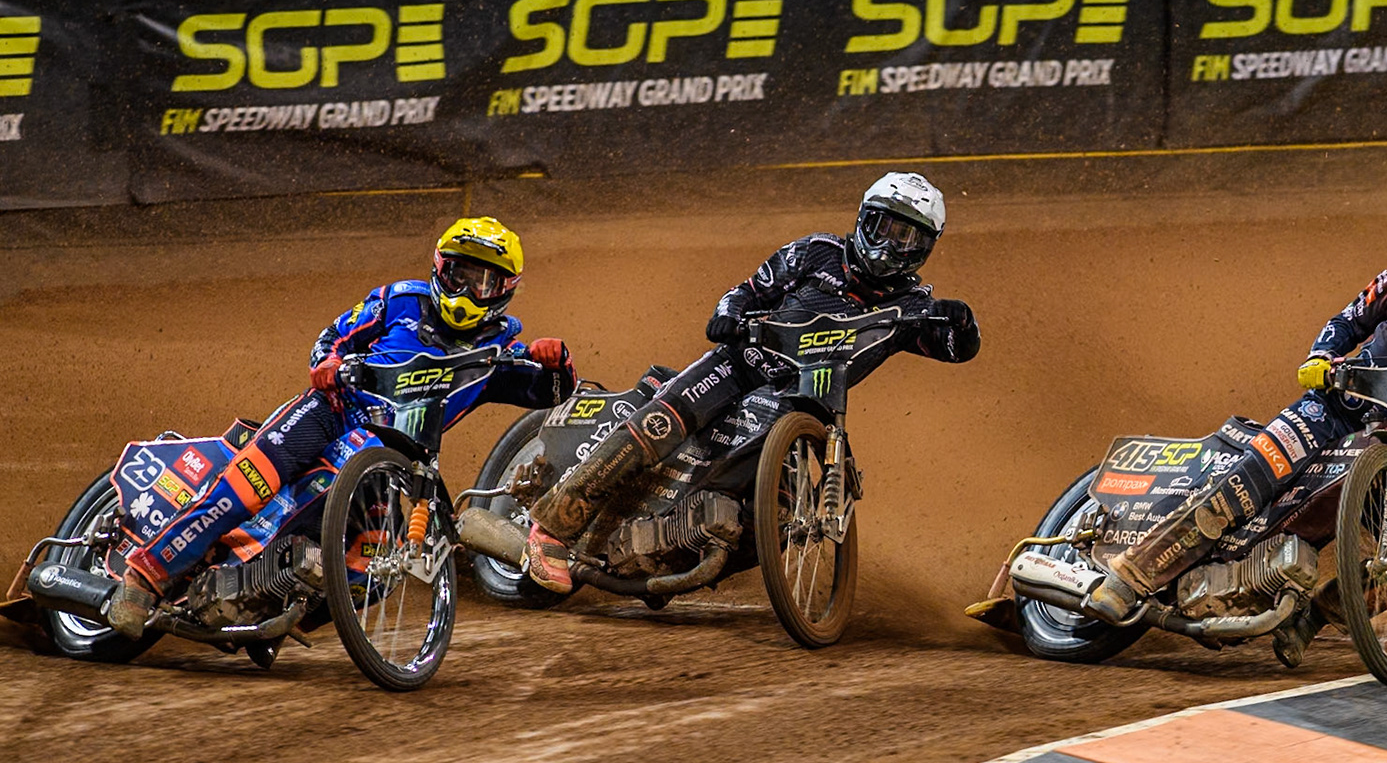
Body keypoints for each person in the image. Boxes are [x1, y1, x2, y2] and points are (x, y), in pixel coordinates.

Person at [105, 216, 577, 638]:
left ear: (504, 289)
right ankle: (142, 577)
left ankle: (276, 606)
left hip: (390, 461)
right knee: (245, 490)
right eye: (460, 273)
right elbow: (332, 337)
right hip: (330, 412)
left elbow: (551, 396)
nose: (467, 288)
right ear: (439, 269)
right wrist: (327, 364)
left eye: (483, 280)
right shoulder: (399, 301)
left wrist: (558, 363)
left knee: (374, 569)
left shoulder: (502, 351)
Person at [1086, 206, 1387, 623]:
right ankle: (1129, 579)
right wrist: (1322, 356)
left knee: (1328, 517)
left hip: (1384, 438)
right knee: (1251, 477)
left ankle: (1284, 605)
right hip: (1333, 404)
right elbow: (1347, 321)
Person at [521, 171, 981, 592]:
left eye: (907, 238)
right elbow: (743, 293)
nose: (890, 245)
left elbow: (956, 349)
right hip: (741, 364)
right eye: (885, 228)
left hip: (800, 403)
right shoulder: (816, 251)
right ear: (864, 220)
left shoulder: (915, 305)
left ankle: (675, 548)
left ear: (925, 248)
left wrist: (962, 323)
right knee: (661, 425)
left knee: (776, 513)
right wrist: (728, 317)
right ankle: (550, 530)